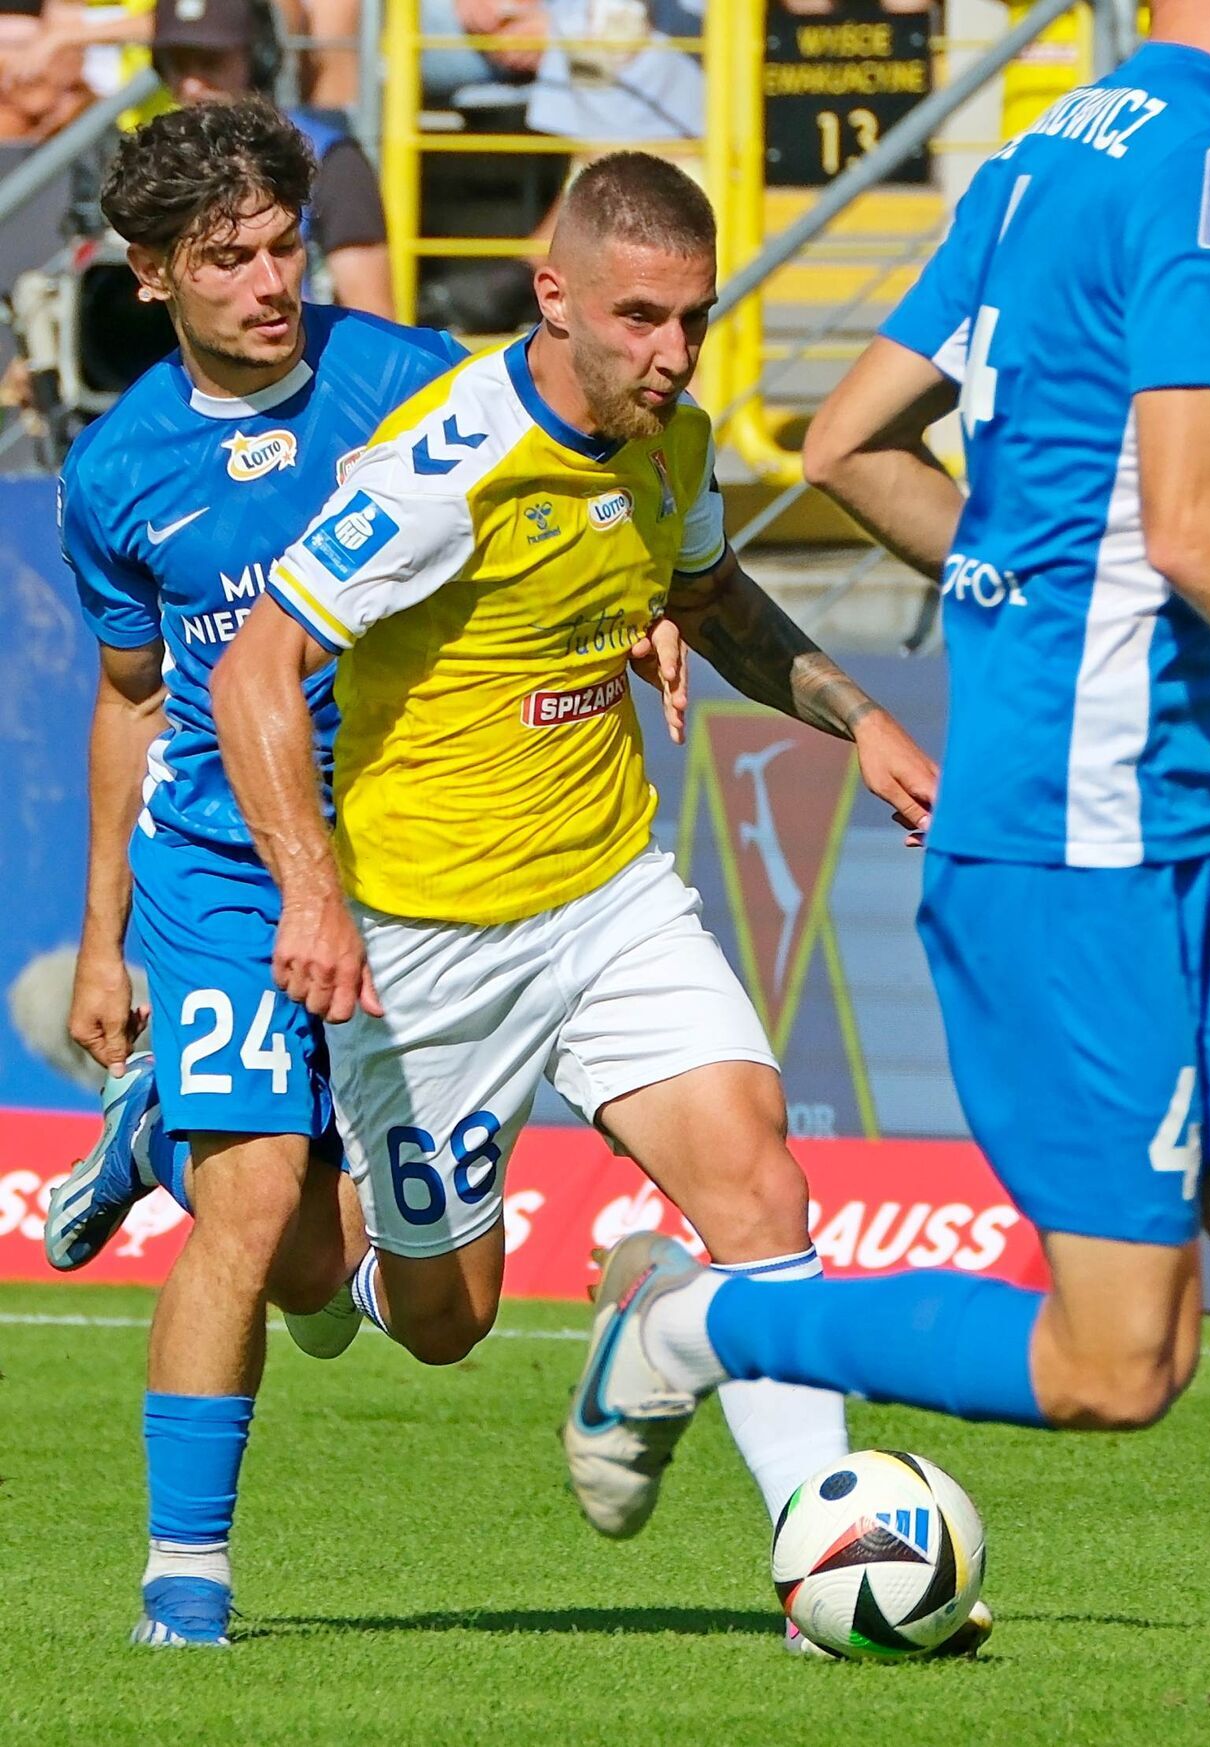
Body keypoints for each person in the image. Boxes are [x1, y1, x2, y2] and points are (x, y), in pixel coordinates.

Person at [558, 2, 1210, 1729]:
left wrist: (1031, 583)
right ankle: (701, 1324)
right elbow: (1192, 526)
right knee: (1120, 1365)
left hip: (1199, 805)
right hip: (1094, 837)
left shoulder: (1044, 153)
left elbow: (851, 439)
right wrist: (1083, 593)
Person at [210, 148, 956, 1648]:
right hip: (426, 941)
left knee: (761, 1179)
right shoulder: (448, 462)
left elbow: (710, 599)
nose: (675, 354)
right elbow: (249, 673)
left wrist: (853, 710)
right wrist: (313, 895)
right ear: (553, 297)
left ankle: (832, 1565)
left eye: (695, 317)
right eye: (640, 319)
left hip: (610, 896)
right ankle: (237, 1177)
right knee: (442, 1321)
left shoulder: (668, 439)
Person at [53, 95, 469, 1648]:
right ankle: (185, 1587)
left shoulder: (415, 381)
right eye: (225, 259)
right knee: (245, 1226)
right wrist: (101, 943)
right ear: (151, 274)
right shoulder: (118, 474)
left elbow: (549, 516)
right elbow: (130, 699)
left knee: (358, 1295)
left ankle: (156, 1129)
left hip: (408, 863)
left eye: (285, 245)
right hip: (222, 874)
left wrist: (640, 609)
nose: (270, 281)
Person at [150, 0, 396, 318]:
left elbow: (375, 323)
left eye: (210, 61)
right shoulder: (157, 166)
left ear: (260, 58)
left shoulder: (327, 158)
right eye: (178, 64)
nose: (191, 84)